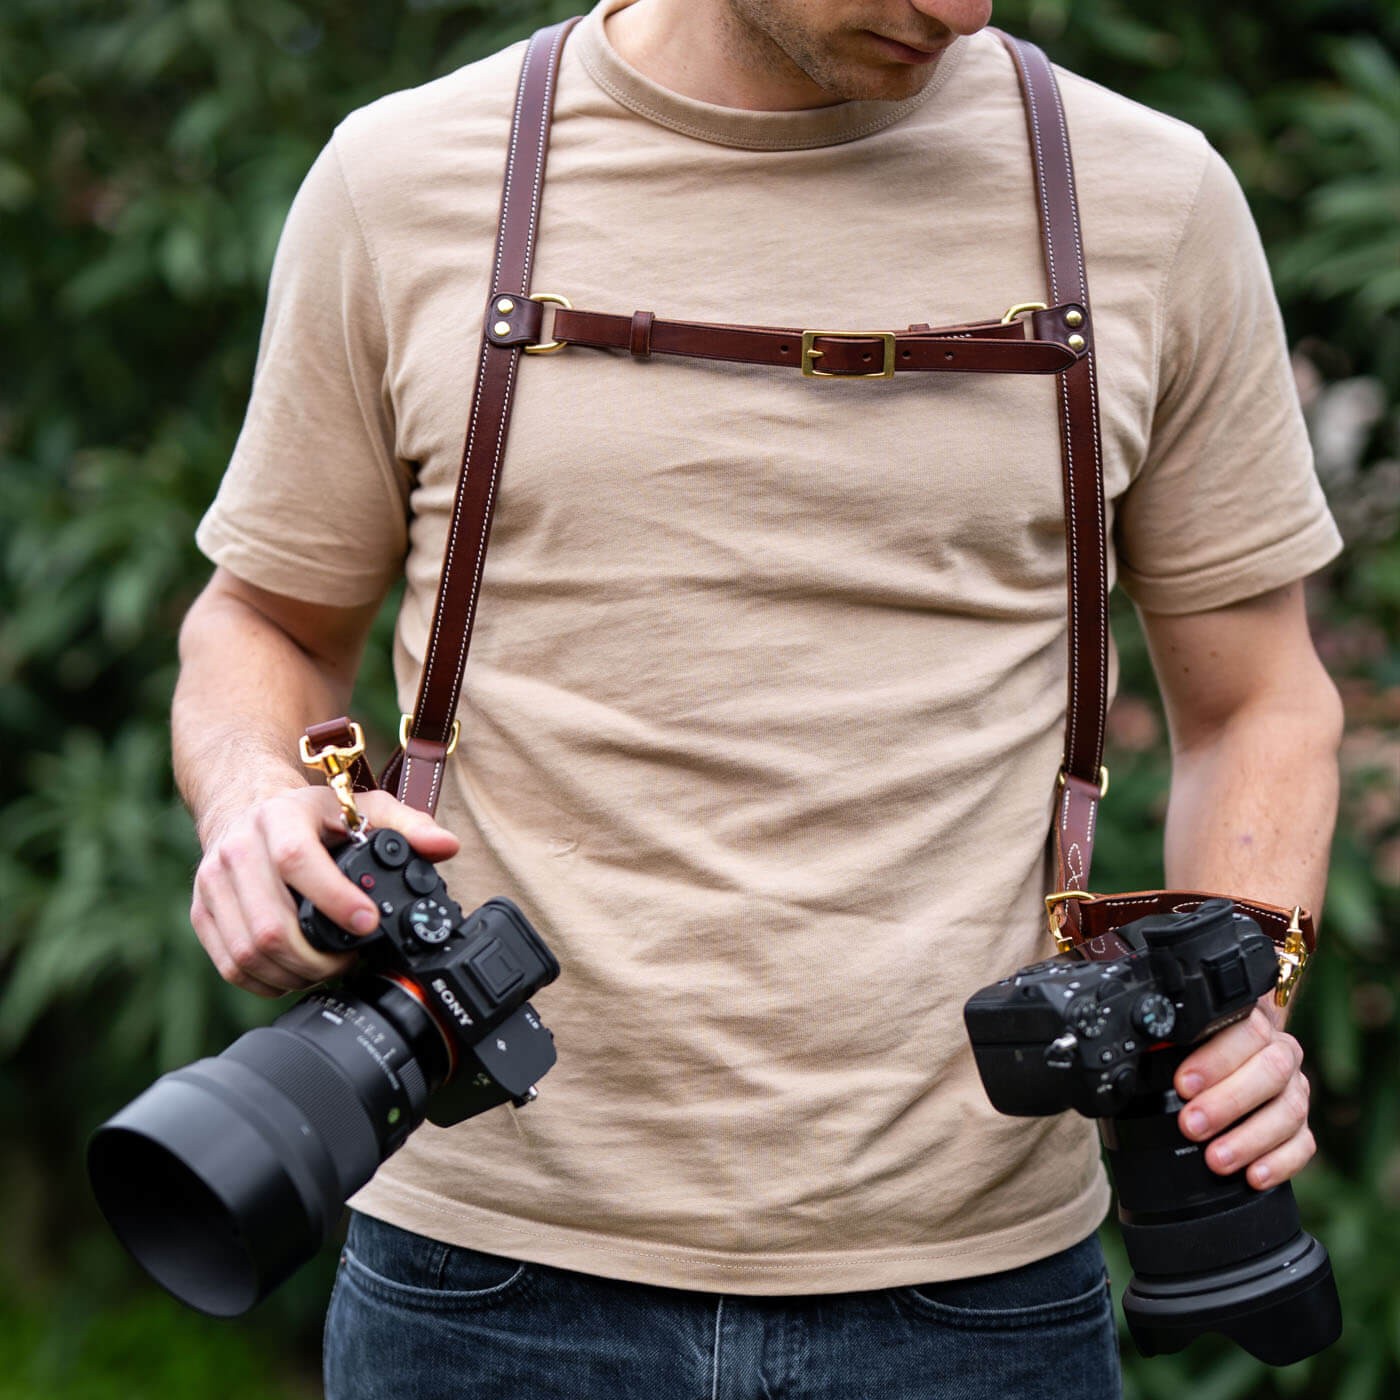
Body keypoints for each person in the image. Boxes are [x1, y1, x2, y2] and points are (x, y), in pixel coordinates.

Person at [173, 2, 1344, 1396]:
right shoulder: (407, 182)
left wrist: (1243, 1010)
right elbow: (264, 620)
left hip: (981, 1297)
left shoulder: (1149, 198)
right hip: (482, 1280)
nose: (959, 10)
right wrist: (251, 793)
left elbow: (1259, 703)